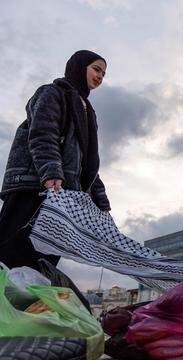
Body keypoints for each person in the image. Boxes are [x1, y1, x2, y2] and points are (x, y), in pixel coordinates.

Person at [0, 50, 111, 272]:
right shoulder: (52, 93)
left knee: (42, 261)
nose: (100, 76)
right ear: (79, 67)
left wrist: (102, 203)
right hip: (35, 184)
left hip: (63, 194)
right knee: (11, 252)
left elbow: (87, 162)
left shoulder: (88, 111)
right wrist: (51, 172)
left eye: (104, 74)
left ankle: (22, 305)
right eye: (96, 69)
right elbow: (42, 132)